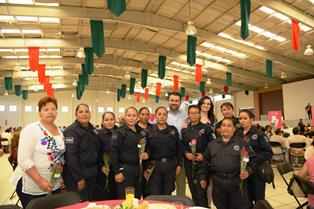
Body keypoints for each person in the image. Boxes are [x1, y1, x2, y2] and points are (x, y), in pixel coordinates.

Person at [11, 96, 65, 208]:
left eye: (53, 109)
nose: (50, 112)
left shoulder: (60, 131)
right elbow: (24, 160)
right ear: (39, 113)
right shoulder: (31, 129)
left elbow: (60, 157)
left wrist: (60, 178)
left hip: (54, 183)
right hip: (32, 184)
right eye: (46, 109)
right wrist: (40, 181)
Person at [198, 117, 251, 209]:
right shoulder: (212, 145)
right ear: (220, 129)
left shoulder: (242, 143)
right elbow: (205, 163)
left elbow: (252, 160)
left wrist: (248, 171)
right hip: (218, 184)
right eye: (224, 125)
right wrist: (202, 176)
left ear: (234, 129)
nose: (226, 128)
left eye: (229, 126)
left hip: (236, 184)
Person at [63, 103, 102, 201]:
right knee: (79, 203)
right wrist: (79, 178)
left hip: (91, 173)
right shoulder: (71, 131)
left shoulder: (92, 130)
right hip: (77, 175)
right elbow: (71, 157)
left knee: (89, 201)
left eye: (87, 111)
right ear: (76, 115)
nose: (84, 114)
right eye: (81, 112)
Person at [239, 109, 273, 208]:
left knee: (259, 200)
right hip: (243, 172)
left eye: (245, 118)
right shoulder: (237, 134)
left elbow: (268, 152)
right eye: (240, 118)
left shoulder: (259, 134)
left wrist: (253, 158)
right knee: (245, 200)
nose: (242, 121)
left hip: (257, 172)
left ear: (251, 119)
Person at [110, 107, 147, 199]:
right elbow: (113, 152)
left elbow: (148, 146)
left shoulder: (141, 132)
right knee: (125, 198)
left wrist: (147, 153)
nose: (131, 118)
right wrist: (117, 171)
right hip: (124, 170)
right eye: (129, 115)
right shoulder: (119, 132)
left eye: (134, 115)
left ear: (138, 117)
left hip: (138, 169)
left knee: (137, 197)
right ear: (125, 117)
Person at [144, 106, 182, 195]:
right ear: (155, 116)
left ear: (167, 116)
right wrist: (145, 168)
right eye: (159, 114)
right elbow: (145, 151)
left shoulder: (173, 130)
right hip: (154, 167)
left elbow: (179, 149)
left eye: (164, 114)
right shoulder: (149, 131)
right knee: (155, 194)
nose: (162, 116)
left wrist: (179, 164)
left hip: (170, 166)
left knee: (167, 194)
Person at [182, 105, 214, 207]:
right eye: (191, 113)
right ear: (188, 115)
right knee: (193, 193)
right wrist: (186, 153)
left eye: (196, 112)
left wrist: (204, 156)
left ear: (200, 114)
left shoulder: (207, 128)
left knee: (201, 193)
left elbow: (213, 145)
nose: (194, 115)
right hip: (189, 164)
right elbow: (182, 145)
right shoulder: (185, 130)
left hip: (202, 165)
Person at [167, 91, 188, 196]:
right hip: (166, 152)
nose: (174, 103)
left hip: (180, 152)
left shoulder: (185, 114)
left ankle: (181, 204)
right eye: (172, 100)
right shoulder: (163, 113)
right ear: (168, 101)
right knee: (167, 185)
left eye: (176, 100)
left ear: (180, 102)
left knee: (181, 184)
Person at [94, 112, 118, 200]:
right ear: (102, 122)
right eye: (106, 120)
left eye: (111, 119)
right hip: (104, 170)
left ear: (115, 120)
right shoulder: (98, 134)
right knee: (104, 196)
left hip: (117, 170)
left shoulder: (119, 132)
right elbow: (96, 152)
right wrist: (101, 166)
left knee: (116, 197)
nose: (109, 122)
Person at [198, 96, 216, 207]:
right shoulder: (194, 118)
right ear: (200, 104)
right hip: (198, 156)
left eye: (208, 104)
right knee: (200, 185)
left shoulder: (213, 119)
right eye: (204, 103)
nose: (206, 105)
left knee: (210, 185)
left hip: (211, 155)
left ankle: (208, 205)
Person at [136, 107, 153, 198]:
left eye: (147, 114)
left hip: (149, 163)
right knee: (137, 190)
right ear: (139, 115)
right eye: (143, 114)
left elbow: (153, 145)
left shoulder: (153, 128)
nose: (145, 116)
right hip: (135, 163)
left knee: (148, 190)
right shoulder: (134, 127)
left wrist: (148, 154)